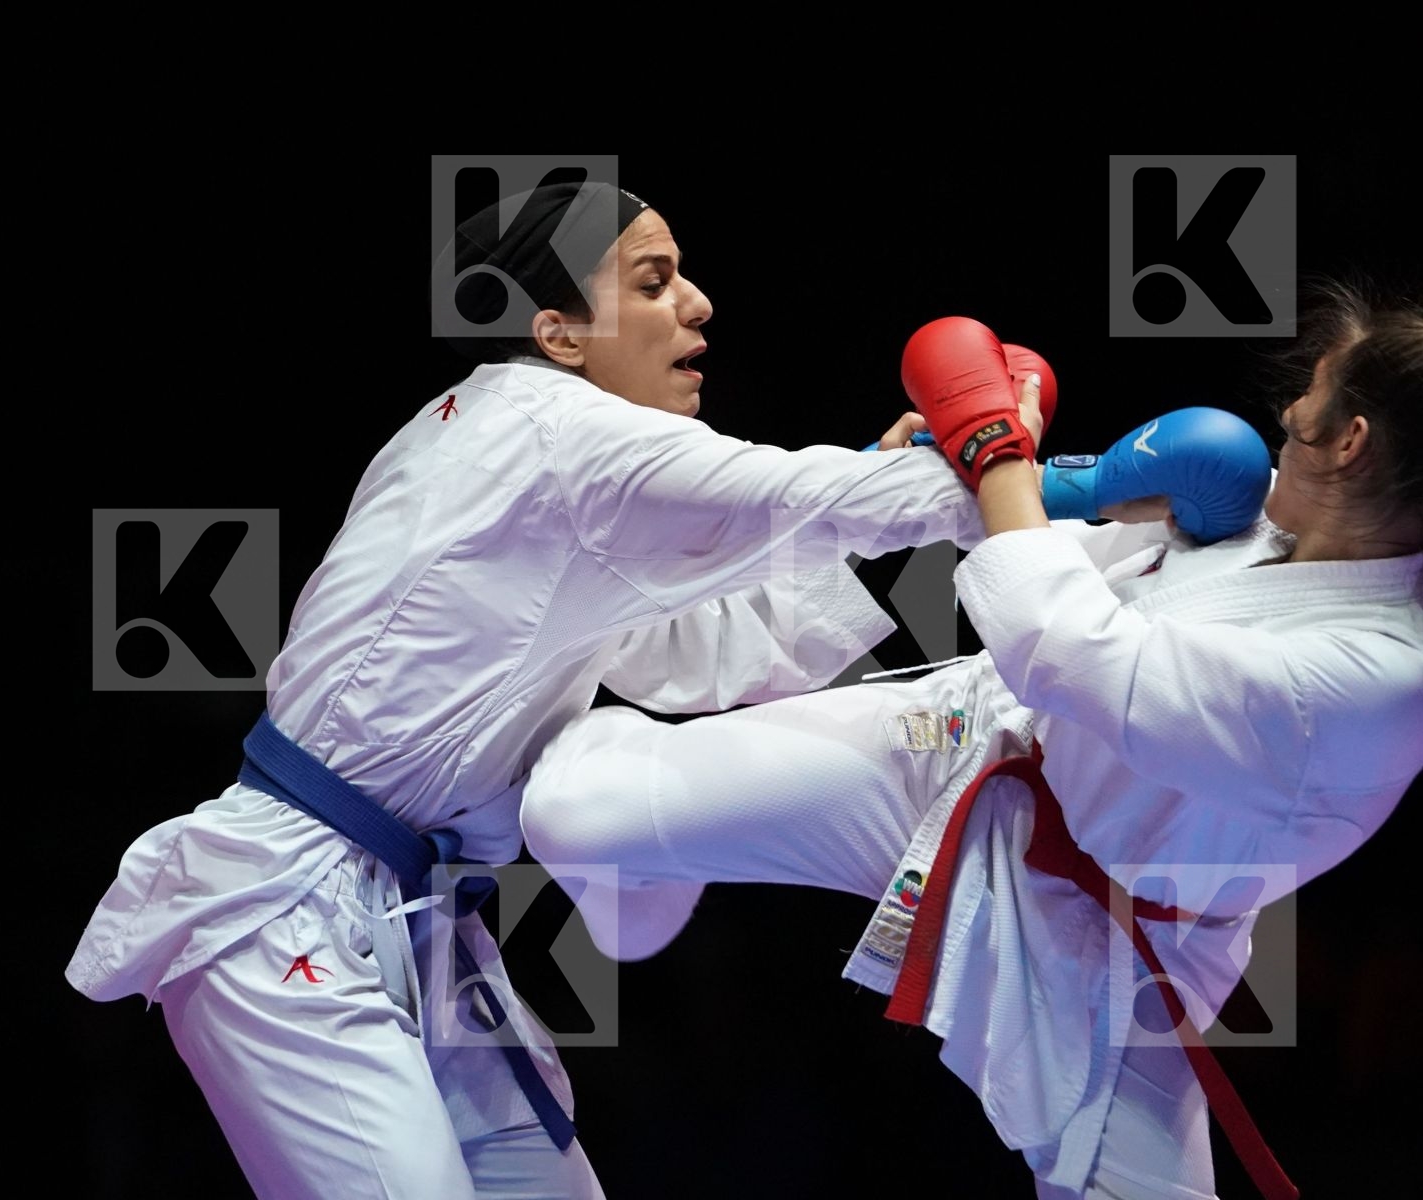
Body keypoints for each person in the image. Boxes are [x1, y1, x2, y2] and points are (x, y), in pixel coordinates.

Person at [63, 180, 1076, 1199]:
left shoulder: (510, 450)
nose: (699, 304)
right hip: (278, 910)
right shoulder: (560, 434)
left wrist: (909, 477)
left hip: (414, 917)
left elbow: (701, 655)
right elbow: (802, 497)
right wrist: (1017, 456)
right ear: (558, 334)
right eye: (655, 280)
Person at [519, 286, 1423, 1199]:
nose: (1284, 415)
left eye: (1307, 405)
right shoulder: (1273, 515)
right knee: (572, 811)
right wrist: (971, 468)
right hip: (969, 751)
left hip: (1116, 946)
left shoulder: (1380, 681)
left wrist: (996, 452)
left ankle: (663, 856)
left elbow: (1068, 649)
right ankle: (649, 884)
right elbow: (1075, 543)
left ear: (1352, 443)